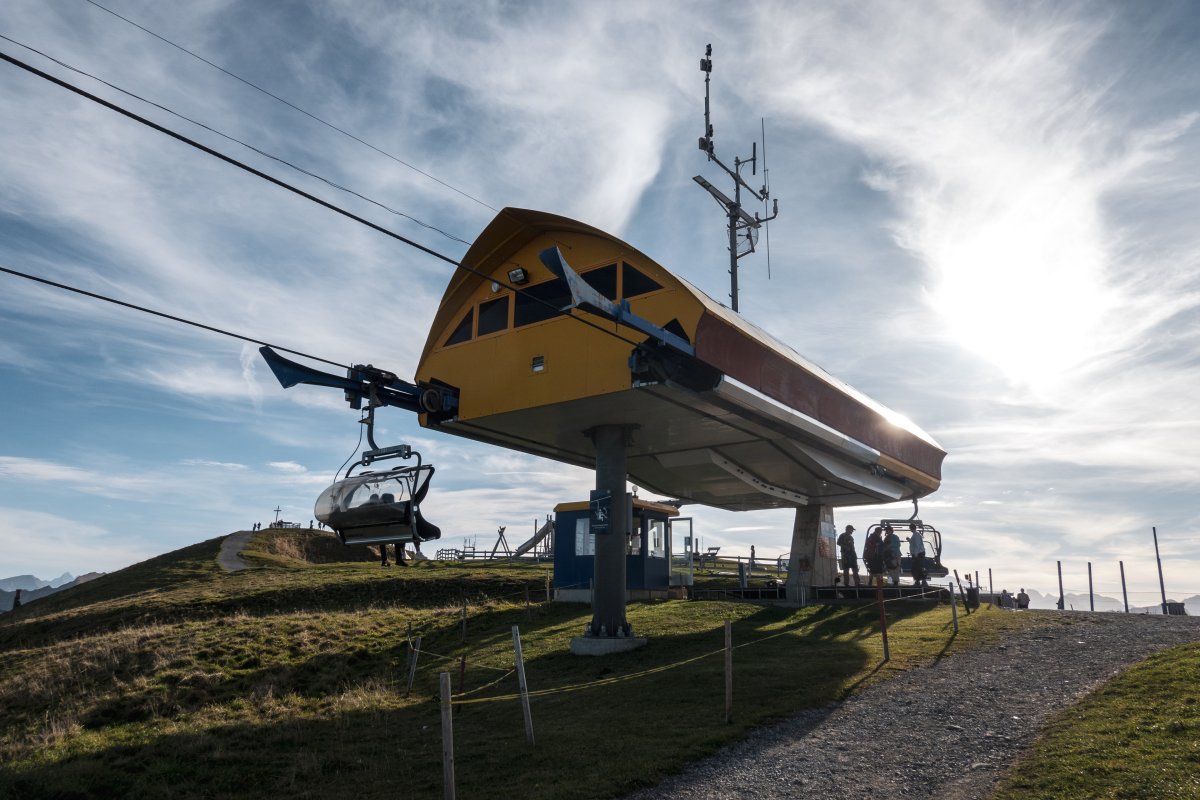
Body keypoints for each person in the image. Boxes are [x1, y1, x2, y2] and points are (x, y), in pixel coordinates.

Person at [908, 523, 927, 589]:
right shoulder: (915, 534)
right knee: (917, 568)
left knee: (918, 567)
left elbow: (917, 545)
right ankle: (918, 581)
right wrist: (909, 540)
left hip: (919, 554)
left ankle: (922, 581)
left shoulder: (916, 535)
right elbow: (914, 543)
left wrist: (916, 554)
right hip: (918, 553)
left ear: (911, 528)